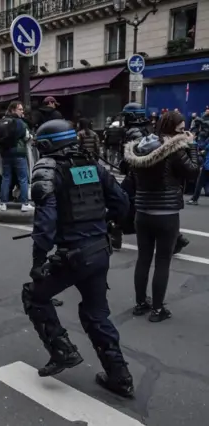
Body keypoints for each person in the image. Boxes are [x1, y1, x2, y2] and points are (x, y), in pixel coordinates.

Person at [24, 119, 134, 398]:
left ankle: (62, 352)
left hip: (73, 255)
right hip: (99, 251)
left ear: (46, 146)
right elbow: (121, 204)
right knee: (96, 313)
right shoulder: (93, 166)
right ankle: (119, 376)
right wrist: (100, 224)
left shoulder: (49, 169)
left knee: (34, 295)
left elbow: (45, 223)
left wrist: (38, 261)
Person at [123, 111, 198, 322]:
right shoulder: (174, 150)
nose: (184, 132)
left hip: (143, 212)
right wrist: (191, 146)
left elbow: (131, 178)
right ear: (174, 129)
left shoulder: (140, 147)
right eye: (182, 129)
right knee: (162, 261)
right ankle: (157, 310)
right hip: (167, 214)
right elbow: (192, 171)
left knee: (143, 259)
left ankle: (140, 304)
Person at [0, 101, 34, 212]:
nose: (22, 111)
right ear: (13, 110)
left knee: (6, 177)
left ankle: (3, 203)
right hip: (18, 152)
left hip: (5, 153)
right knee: (23, 178)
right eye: (20, 109)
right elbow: (27, 137)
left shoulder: (1, 122)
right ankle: (25, 203)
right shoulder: (20, 122)